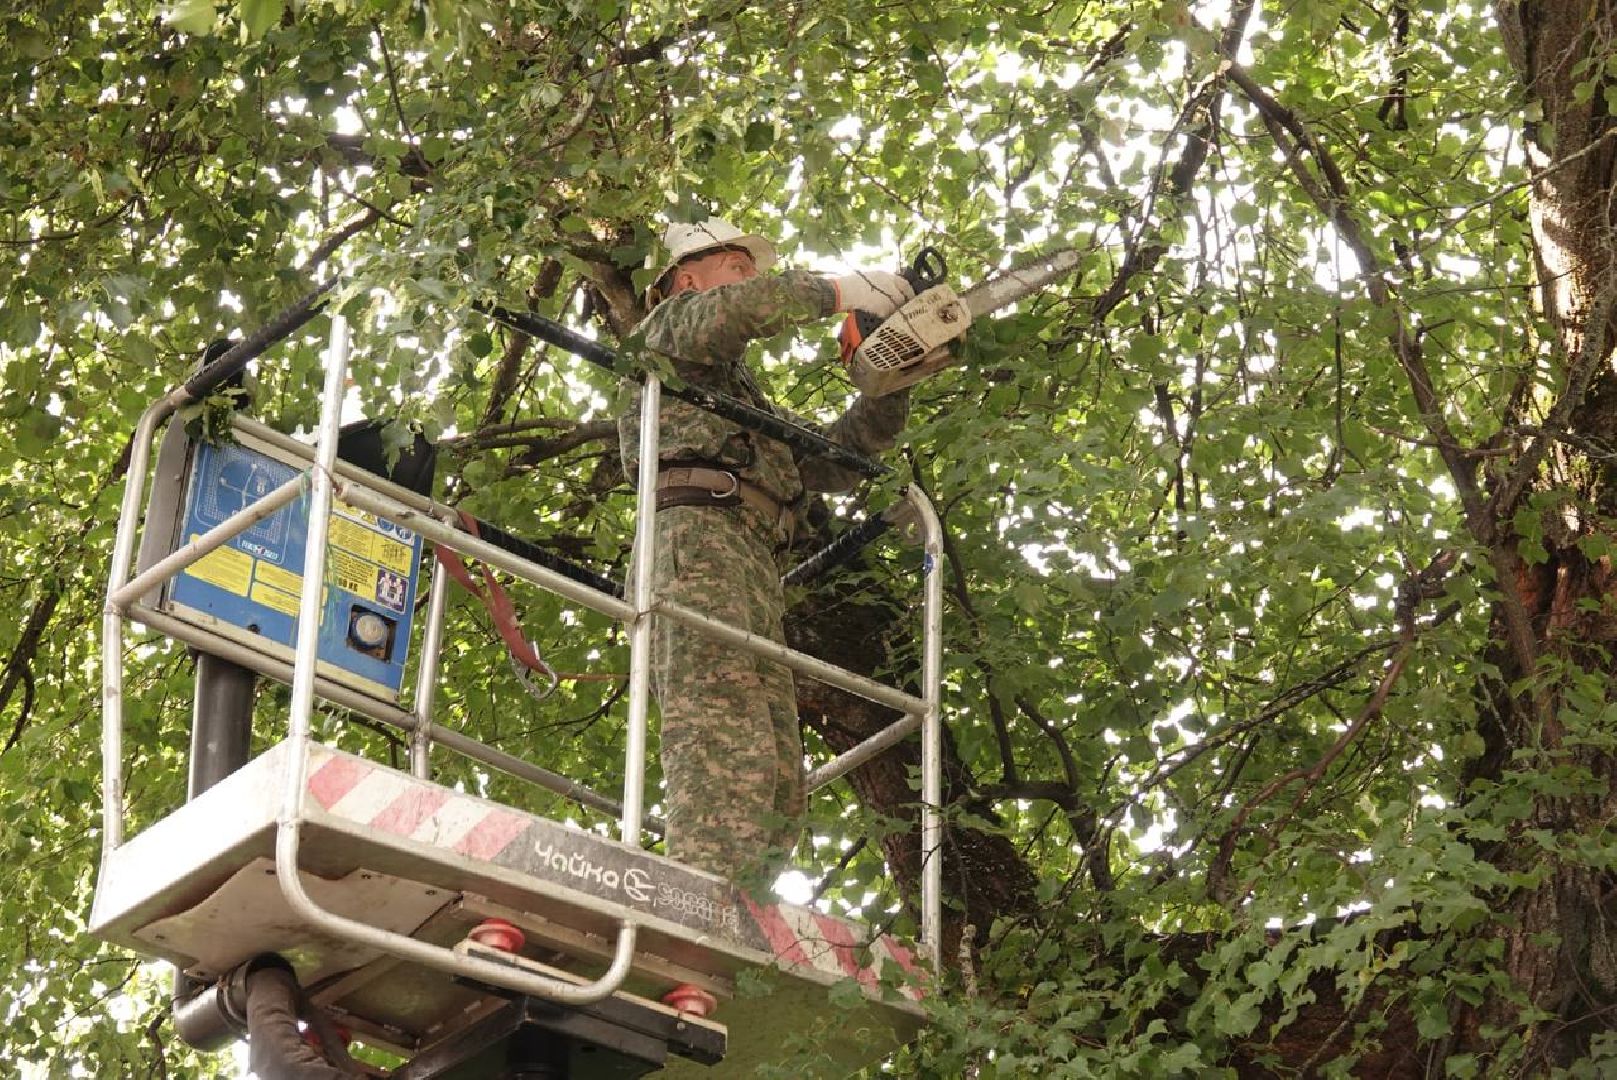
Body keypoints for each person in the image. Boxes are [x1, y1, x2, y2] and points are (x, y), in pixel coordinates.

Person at [619, 218, 915, 885]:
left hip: (749, 557)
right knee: (723, 726)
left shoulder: (735, 397)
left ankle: (744, 895)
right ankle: (698, 890)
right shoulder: (665, 335)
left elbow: (837, 463)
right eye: (738, 266)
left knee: (778, 760)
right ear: (686, 281)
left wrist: (891, 380)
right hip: (695, 540)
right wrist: (847, 290)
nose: (754, 281)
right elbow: (741, 311)